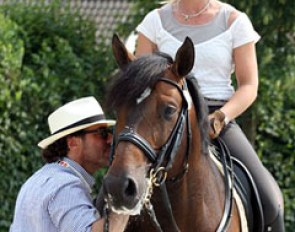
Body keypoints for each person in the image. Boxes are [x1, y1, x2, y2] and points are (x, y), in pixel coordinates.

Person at [135, 0, 284, 231]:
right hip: (166, 119)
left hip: (216, 117)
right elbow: (139, 82)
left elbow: (249, 86)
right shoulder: (153, 21)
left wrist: (221, 117)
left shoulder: (236, 21)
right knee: (114, 189)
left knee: (270, 201)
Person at [10, 96, 129, 232]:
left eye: (108, 132)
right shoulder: (65, 185)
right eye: (101, 133)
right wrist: (128, 200)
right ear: (72, 142)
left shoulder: (38, 180)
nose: (110, 139)